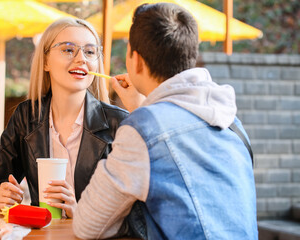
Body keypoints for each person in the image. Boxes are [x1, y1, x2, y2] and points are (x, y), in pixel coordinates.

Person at [73, 3, 258, 239]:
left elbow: (87, 226)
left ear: (136, 60)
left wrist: (141, 120)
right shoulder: (233, 124)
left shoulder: (143, 130)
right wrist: (142, 109)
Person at [0, 17, 128, 218]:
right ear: (45, 61)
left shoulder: (120, 122)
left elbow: (137, 208)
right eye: (68, 49)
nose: (82, 59)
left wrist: (82, 213)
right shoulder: (27, 117)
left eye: (90, 51)